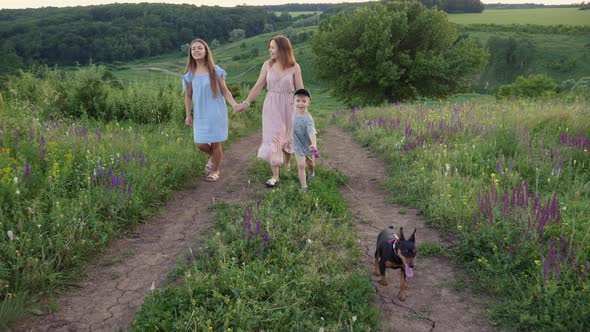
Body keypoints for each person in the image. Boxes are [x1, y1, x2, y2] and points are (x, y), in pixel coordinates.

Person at [234, 35, 304, 187]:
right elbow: (259, 85)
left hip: (288, 106)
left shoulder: (294, 67)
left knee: (288, 139)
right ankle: (275, 176)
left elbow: (300, 90)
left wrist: (302, 110)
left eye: (272, 47)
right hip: (271, 105)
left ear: (282, 49)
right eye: (270, 47)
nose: (269, 50)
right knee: (273, 139)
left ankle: (286, 163)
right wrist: (246, 102)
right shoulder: (267, 65)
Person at [183, 38, 238, 182]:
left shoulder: (215, 70)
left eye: (199, 48)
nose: (196, 50)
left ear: (206, 51)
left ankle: (215, 170)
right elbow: (188, 96)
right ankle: (216, 157)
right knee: (200, 143)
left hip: (216, 112)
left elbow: (225, 91)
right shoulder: (190, 74)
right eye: (193, 48)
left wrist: (234, 104)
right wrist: (188, 115)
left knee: (215, 143)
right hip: (200, 114)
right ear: (190, 53)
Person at [291, 88, 317, 191]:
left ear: (308, 103)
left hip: (308, 145)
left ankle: (312, 172)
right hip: (297, 144)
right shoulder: (292, 114)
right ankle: (304, 187)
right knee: (301, 165)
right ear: (294, 101)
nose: (300, 104)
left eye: (304, 101)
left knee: (311, 163)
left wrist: (313, 144)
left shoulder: (308, 118)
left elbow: (312, 131)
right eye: (298, 101)